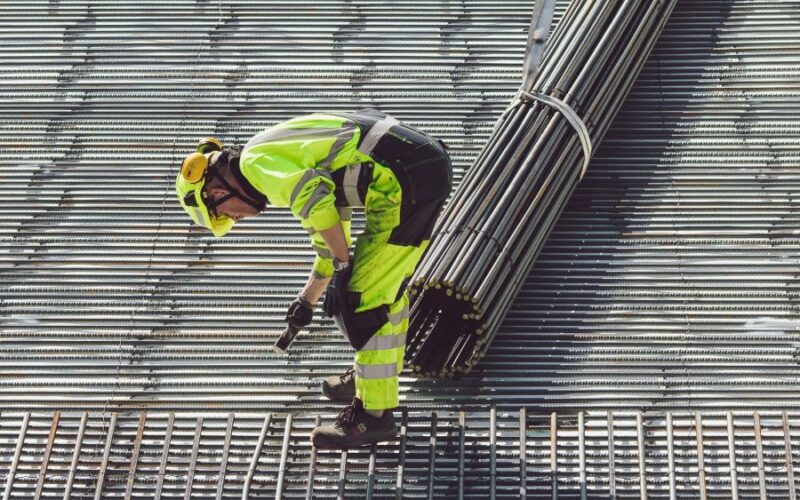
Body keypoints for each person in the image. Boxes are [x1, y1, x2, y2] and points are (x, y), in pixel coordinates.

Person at [175, 109, 452, 448]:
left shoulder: (255, 166)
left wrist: (341, 268)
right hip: (415, 171)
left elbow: (317, 204)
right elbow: (330, 224)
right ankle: (371, 379)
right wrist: (308, 298)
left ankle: (372, 418)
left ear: (216, 193)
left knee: (362, 300)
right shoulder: (267, 155)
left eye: (226, 214)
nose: (237, 218)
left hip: (405, 179)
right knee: (382, 291)